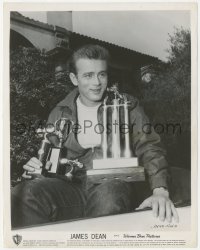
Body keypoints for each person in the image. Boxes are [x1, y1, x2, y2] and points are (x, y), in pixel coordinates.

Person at [11, 44, 179, 228]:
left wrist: (160, 190)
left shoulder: (126, 104)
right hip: (71, 187)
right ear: (74, 79)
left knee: (109, 194)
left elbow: (150, 146)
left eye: (102, 74)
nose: (97, 82)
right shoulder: (59, 112)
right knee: (24, 194)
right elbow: (52, 160)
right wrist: (40, 168)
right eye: (88, 75)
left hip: (111, 183)